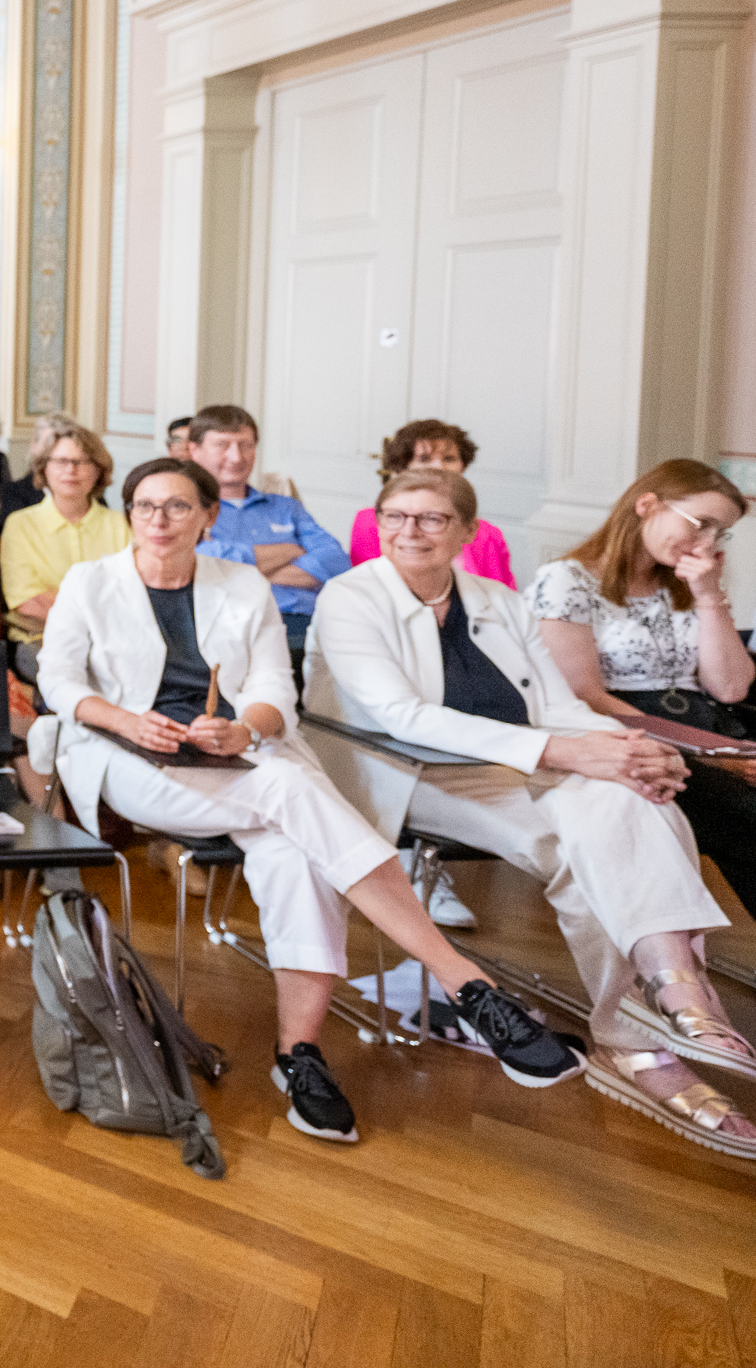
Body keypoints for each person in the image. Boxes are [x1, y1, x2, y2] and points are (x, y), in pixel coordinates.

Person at [36, 457, 581, 1142]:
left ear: (209, 515)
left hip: (240, 761)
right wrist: (126, 720)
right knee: (294, 791)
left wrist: (241, 727)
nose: (160, 520)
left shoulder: (241, 585)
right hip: (128, 759)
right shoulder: (91, 583)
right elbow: (55, 679)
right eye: (146, 506)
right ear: (129, 515)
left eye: (177, 506)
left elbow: (274, 690)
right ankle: (462, 981)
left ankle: (301, 1055)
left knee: (294, 848)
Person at [307, 469, 753, 1158]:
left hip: (512, 761)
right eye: (394, 516)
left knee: (628, 796)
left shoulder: (496, 599)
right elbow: (400, 715)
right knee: (589, 827)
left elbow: (557, 702)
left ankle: (657, 997)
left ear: (466, 531)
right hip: (405, 769)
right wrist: (571, 753)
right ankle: (652, 1020)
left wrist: (624, 751)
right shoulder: (350, 596)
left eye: (430, 518)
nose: (409, 531)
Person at [530, 460, 756, 914]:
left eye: (721, 533)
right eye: (701, 524)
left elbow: (730, 688)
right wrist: (719, 757)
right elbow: (585, 695)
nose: (708, 543)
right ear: (648, 505)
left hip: (708, 725)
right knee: (745, 817)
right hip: (628, 733)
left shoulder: (688, 583)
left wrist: (710, 595)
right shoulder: (568, 580)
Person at [189, 404, 348, 668]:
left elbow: (336, 561)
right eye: (222, 445)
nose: (236, 456)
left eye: (245, 445)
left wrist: (236, 570)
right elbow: (201, 562)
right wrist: (290, 550)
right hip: (231, 627)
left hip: (304, 624)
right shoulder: (189, 508)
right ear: (195, 450)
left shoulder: (286, 507)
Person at [0, 416, 130, 645]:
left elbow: (133, 594)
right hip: (43, 638)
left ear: (98, 470)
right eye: (60, 461)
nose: (70, 470)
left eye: (82, 462)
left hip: (116, 641)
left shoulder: (122, 524)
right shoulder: (20, 524)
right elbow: (29, 601)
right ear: (44, 468)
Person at [346, 420, 515, 587]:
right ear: (403, 467)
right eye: (424, 459)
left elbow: (502, 596)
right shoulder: (371, 522)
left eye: (449, 459)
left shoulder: (488, 534)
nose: (438, 466)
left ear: (462, 466)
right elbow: (365, 586)